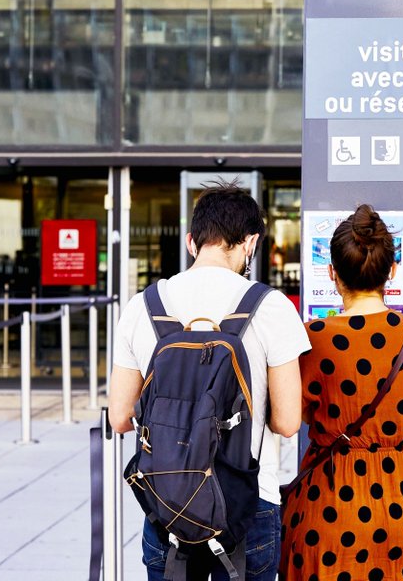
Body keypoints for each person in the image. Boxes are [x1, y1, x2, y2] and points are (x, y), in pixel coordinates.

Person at [108, 182, 311, 581]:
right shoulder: (270, 306)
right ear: (250, 242)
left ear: (191, 241)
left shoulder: (143, 305)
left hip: (168, 505)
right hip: (249, 504)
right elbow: (288, 423)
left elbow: (119, 416)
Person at [279, 204, 403, 580]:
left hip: (329, 506)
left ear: (332, 273)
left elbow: (299, 415)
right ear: (392, 271)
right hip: (402, 506)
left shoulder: (314, 338)